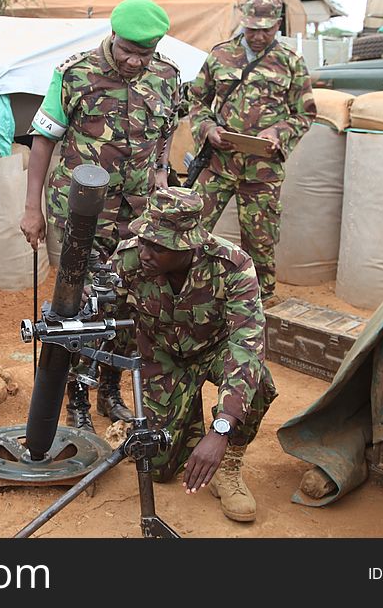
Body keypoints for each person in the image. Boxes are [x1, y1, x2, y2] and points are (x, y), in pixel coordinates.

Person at [19, 0, 181, 431]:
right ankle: (76, 402)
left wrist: (162, 172)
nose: (133, 61)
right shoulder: (75, 73)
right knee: (79, 307)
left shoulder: (167, 77)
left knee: (128, 301)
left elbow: (166, 132)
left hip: (140, 214)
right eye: (128, 49)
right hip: (82, 215)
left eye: (143, 54)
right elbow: (43, 141)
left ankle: (111, 392)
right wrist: (31, 207)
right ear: (113, 35)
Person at [109, 186, 277, 523]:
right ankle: (187, 429)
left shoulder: (232, 266)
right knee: (159, 469)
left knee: (257, 383)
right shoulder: (129, 258)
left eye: (158, 246)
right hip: (163, 358)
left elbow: (246, 347)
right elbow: (98, 310)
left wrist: (221, 430)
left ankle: (228, 464)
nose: (146, 252)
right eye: (144, 240)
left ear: (188, 245)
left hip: (215, 352)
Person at [186, 0, 316, 305]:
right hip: (218, 163)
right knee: (192, 225)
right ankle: (188, 291)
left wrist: (279, 131)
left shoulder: (290, 62)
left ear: (278, 25)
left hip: (263, 169)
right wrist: (209, 129)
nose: (258, 36)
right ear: (242, 22)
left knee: (260, 237)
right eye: (252, 29)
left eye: (266, 30)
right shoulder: (220, 55)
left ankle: (260, 300)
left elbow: (305, 113)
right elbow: (196, 101)